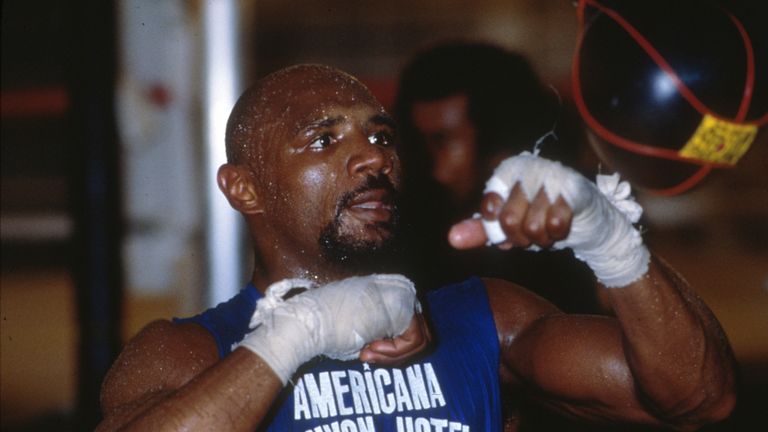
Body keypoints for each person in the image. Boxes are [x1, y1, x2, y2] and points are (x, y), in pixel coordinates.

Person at [97, 64, 736, 431]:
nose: (373, 155)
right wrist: (295, 334)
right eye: (324, 141)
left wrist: (613, 242)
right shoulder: (187, 352)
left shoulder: (485, 318)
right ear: (245, 189)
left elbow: (700, 398)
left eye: (381, 135)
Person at [395, 42, 600, 313]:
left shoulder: (581, 217)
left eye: (443, 141)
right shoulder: (420, 221)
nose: (436, 169)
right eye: (421, 144)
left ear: (497, 147)